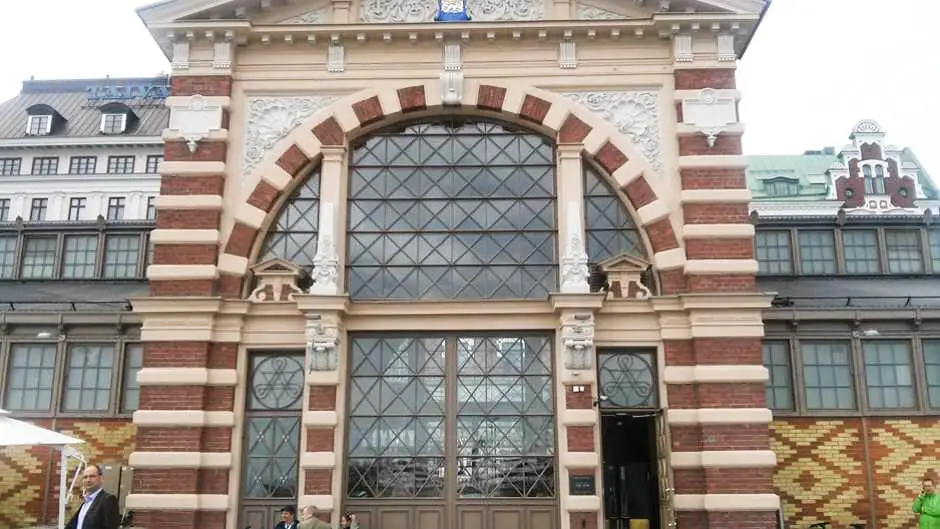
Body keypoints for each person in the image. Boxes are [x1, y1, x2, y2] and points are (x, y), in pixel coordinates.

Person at [65, 464, 120, 529]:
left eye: (92, 476)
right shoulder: (86, 502)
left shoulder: (108, 500)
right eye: (85, 477)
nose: (88, 480)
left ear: (101, 478)